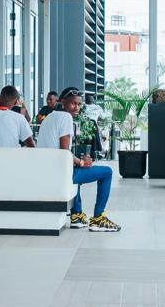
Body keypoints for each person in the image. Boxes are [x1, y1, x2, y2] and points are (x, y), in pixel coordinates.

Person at [37, 88, 121, 232]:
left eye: (79, 104)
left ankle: (77, 215)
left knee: (76, 167)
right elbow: (64, 153)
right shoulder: (66, 118)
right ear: (63, 102)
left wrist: (79, 163)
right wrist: (82, 162)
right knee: (107, 172)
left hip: (47, 170)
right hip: (59, 174)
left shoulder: (49, 117)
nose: (77, 108)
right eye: (73, 104)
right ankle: (98, 218)